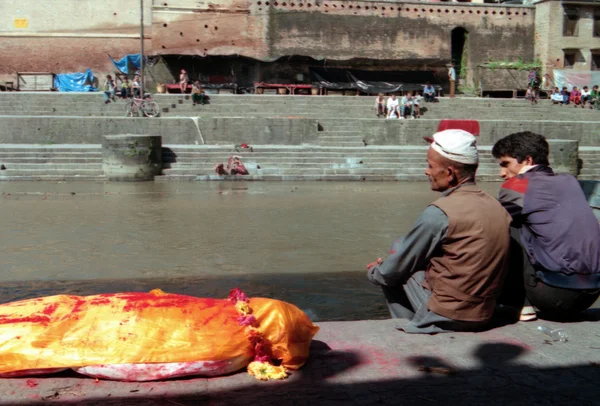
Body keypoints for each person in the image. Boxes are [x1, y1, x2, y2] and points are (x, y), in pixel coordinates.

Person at [367, 129, 511, 334]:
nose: (427, 172)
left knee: (393, 263)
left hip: (451, 315)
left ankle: (413, 325)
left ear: (450, 173)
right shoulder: (496, 205)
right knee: (403, 252)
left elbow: (393, 270)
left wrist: (375, 271)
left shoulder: (439, 212)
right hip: (484, 312)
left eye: (430, 166)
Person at [493, 132, 600, 321]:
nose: (502, 173)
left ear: (527, 160)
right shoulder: (569, 181)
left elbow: (487, 223)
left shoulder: (518, 185)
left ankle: (518, 303)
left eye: (505, 164)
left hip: (552, 296)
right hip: (590, 294)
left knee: (502, 226)